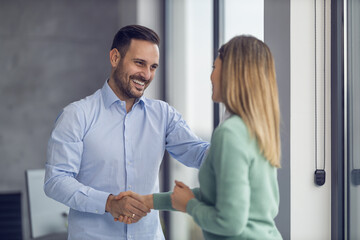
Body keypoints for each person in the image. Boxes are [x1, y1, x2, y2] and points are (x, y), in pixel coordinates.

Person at [44, 24, 209, 240]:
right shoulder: (77, 115)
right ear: (115, 58)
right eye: (139, 63)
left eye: (153, 67)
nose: (147, 74)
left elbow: (198, 153)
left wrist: (241, 145)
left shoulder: (163, 115)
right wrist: (109, 202)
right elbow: (56, 180)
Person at [116, 35, 283, 240]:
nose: (211, 76)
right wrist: (148, 201)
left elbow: (229, 222)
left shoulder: (230, 134)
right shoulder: (256, 129)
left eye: (214, 67)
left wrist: (189, 205)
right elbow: (220, 197)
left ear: (232, 73)